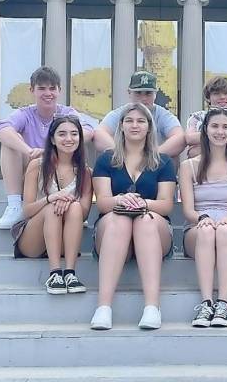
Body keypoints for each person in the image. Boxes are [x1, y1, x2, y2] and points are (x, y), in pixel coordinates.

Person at [90, 103, 176, 330]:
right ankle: (103, 307)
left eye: (141, 121)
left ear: (150, 128)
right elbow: (103, 202)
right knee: (119, 217)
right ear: (121, 126)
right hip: (113, 230)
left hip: (153, 230)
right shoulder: (106, 159)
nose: (135, 125)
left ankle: (151, 307)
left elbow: (167, 205)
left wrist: (142, 203)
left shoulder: (163, 161)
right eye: (129, 121)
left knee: (143, 219)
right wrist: (120, 200)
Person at [0, 66, 94, 229]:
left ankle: (73, 205)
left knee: (76, 137)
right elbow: (1, 129)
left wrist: (51, 151)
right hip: (33, 172)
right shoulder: (25, 114)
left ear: (59, 90)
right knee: (10, 142)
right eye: (42, 88)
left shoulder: (67, 113)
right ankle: (14, 205)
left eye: (52, 88)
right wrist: (30, 151)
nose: (48, 93)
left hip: (61, 171)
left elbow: (88, 131)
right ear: (32, 90)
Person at [180, 108, 227, 327]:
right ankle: (206, 303)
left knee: (222, 231)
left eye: (225, 127)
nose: (220, 132)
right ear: (205, 130)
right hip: (197, 226)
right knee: (206, 230)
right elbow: (188, 211)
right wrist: (203, 218)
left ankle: (223, 304)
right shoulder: (188, 166)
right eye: (214, 126)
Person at [12, 115, 92, 294]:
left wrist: (69, 200)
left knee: (76, 207)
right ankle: (55, 273)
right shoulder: (37, 166)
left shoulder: (85, 172)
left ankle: (70, 273)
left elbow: (85, 214)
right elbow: (27, 210)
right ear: (53, 139)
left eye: (74, 134)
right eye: (62, 134)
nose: (69, 139)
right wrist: (51, 198)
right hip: (33, 239)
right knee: (51, 207)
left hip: (64, 238)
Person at [93, 70, 186, 160]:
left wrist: (150, 157)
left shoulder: (163, 115)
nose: (143, 98)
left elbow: (180, 138)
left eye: (148, 93)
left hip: (154, 167)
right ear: (129, 93)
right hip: (123, 165)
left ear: (155, 94)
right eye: (138, 93)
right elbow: (99, 135)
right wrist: (123, 155)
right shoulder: (119, 113)